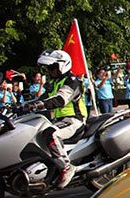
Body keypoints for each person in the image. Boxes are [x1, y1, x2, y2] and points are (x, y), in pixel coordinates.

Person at [19, 50, 88, 188]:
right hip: (60, 120)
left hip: (74, 120)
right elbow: (43, 98)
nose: (50, 71)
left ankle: (67, 167)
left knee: (50, 134)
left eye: (52, 67)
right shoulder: (55, 82)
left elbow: (60, 100)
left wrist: (39, 105)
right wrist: (21, 106)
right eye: (48, 68)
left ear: (62, 66)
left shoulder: (72, 82)